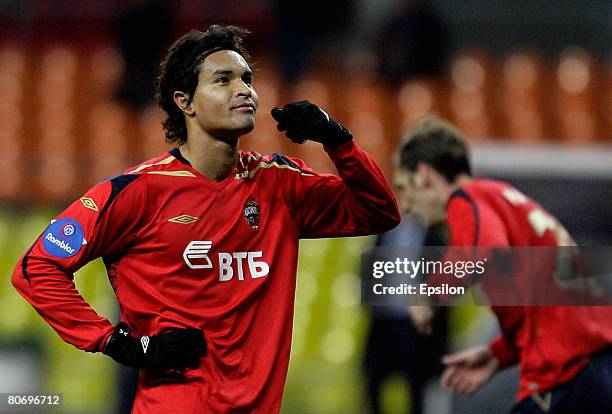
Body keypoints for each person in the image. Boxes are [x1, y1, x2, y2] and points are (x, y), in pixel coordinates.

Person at [11, 25, 400, 413]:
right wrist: (118, 343)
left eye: (247, 78)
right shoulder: (139, 191)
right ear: (185, 101)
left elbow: (379, 211)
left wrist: (338, 140)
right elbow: (36, 268)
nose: (244, 89)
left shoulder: (280, 184)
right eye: (223, 80)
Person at [394, 116, 612, 414]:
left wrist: (430, 293)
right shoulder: (501, 200)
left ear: (425, 174)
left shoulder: (466, 199)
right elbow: (546, 312)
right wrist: (497, 355)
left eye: (405, 188)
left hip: (566, 372)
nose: (405, 204)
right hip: (592, 365)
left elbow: (483, 251)